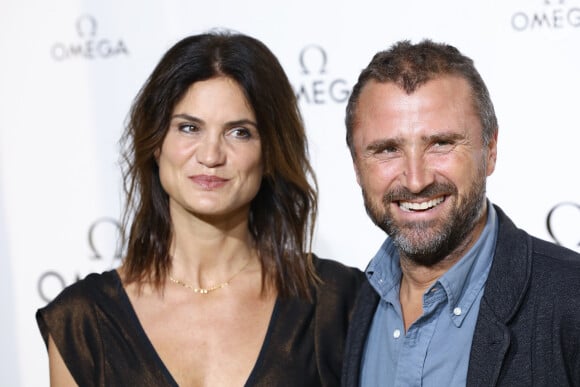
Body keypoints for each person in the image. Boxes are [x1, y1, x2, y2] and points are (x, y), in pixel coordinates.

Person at [36, 31, 364, 386]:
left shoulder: (337, 301)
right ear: (156, 144)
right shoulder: (83, 320)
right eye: (189, 128)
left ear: (269, 153)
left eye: (239, 132)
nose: (210, 156)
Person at [341, 39, 580, 386]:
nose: (416, 179)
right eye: (387, 149)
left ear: (491, 149)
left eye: (441, 143)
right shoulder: (339, 310)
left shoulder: (570, 300)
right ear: (356, 166)